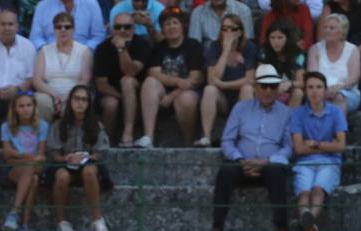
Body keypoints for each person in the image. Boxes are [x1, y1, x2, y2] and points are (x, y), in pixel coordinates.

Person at [213, 63, 292, 231]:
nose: (268, 91)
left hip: (269, 164)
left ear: (278, 88)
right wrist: (241, 160)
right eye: (264, 86)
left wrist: (266, 161)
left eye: (273, 86)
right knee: (226, 171)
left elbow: (288, 147)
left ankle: (282, 227)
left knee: (277, 173)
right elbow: (227, 140)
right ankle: (217, 224)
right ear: (256, 87)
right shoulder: (240, 108)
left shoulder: (286, 113)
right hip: (242, 163)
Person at [46, 83, 110, 231]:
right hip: (65, 164)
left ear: (88, 104)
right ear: (70, 101)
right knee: (61, 176)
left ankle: (97, 220)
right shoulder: (59, 124)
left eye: (84, 100)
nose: (80, 103)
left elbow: (101, 152)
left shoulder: (96, 125)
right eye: (76, 99)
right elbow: (53, 152)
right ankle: (61, 221)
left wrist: (84, 157)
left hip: (88, 164)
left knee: (89, 171)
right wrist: (66, 158)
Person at [289, 70, 346, 231]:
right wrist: (328, 145)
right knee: (304, 194)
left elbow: (341, 145)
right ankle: (308, 222)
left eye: (319, 87)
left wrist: (314, 144)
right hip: (304, 163)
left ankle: (307, 219)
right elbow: (299, 148)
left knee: (318, 191)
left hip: (330, 162)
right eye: (311, 87)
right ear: (305, 91)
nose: (315, 91)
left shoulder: (336, 112)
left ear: (325, 90)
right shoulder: (298, 114)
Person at [139, 7, 204, 147]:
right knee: (150, 82)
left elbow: (195, 78)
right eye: (167, 24)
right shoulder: (159, 47)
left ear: (183, 26)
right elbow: (153, 73)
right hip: (165, 90)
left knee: (185, 99)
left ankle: (188, 142)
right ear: (162, 29)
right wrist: (177, 81)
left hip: (188, 92)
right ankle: (148, 137)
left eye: (175, 23)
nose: (171, 27)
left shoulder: (193, 45)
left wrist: (172, 95)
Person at [197, 12, 258, 147]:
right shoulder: (214, 47)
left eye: (233, 28)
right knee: (209, 90)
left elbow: (250, 80)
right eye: (225, 29)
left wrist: (224, 85)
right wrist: (225, 51)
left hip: (240, 97)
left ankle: (243, 136)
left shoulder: (249, 48)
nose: (229, 32)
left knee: (247, 89)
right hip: (222, 100)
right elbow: (212, 79)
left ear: (240, 32)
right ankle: (206, 137)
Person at [94, 11, 147, 147]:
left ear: (134, 29)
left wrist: (121, 49)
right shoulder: (102, 48)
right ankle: (107, 141)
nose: (122, 30)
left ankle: (127, 133)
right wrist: (124, 98)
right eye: (118, 27)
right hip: (113, 93)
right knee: (111, 103)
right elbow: (101, 84)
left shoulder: (141, 44)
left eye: (127, 27)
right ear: (112, 30)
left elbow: (130, 71)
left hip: (138, 92)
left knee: (127, 81)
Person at [0, 90, 48, 231]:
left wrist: (20, 156)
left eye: (29, 105)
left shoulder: (43, 125)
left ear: (34, 107)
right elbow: (6, 153)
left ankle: (14, 212)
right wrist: (29, 157)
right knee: (33, 179)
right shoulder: (6, 126)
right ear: (15, 108)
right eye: (21, 106)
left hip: (33, 164)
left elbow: (42, 155)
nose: (25, 109)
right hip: (15, 168)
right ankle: (25, 225)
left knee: (31, 166)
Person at [34, 12, 92, 123]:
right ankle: (44, 137)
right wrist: (56, 96)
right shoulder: (44, 50)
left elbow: (85, 80)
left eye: (67, 27)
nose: (63, 30)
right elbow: (37, 80)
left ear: (73, 29)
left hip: (74, 93)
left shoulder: (84, 51)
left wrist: (66, 97)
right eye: (59, 27)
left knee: (73, 104)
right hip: (49, 94)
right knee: (40, 101)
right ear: (54, 30)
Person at [306, 11, 360, 112]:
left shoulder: (353, 50)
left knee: (339, 98)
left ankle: (339, 128)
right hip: (319, 91)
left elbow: (353, 78)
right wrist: (323, 90)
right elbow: (311, 76)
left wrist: (337, 87)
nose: (327, 30)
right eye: (325, 27)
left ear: (342, 32)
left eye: (331, 28)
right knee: (317, 99)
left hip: (347, 92)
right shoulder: (315, 49)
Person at [258, 17, 305, 108]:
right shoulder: (264, 53)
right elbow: (259, 78)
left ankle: (288, 121)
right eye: (272, 37)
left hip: (287, 94)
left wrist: (289, 84)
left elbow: (302, 82)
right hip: (268, 91)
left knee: (298, 92)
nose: (276, 41)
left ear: (288, 38)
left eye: (280, 37)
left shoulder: (297, 55)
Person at [30, 0, 106, 51]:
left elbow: (98, 36)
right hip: (50, 57)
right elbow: (35, 38)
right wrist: (49, 52)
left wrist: (83, 51)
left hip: (84, 56)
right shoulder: (43, 6)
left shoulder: (91, 4)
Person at [190, 0, 256, 47]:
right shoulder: (197, 13)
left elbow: (248, 43)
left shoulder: (243, 10)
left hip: (238, 57)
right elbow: (194, 46)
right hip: (206, 59)